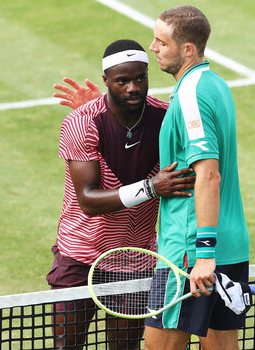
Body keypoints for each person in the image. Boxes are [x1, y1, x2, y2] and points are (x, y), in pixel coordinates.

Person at [48, 39, 196, 350]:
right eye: (122, 81)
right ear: (106, 82)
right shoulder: (81, 123)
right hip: (79, 255)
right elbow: (88, 200)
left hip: (136, 259)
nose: (133, 88)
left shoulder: (167, 119)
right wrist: (151, 187)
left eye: (140, 78)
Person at [142, 5, 250, 350]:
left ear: (188, 49)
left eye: (161, 42)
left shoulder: (189, 94)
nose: (152, 48)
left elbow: (208, 175)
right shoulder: (217, 85)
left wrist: (204, 252)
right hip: (230, 246)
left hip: (192, 254)